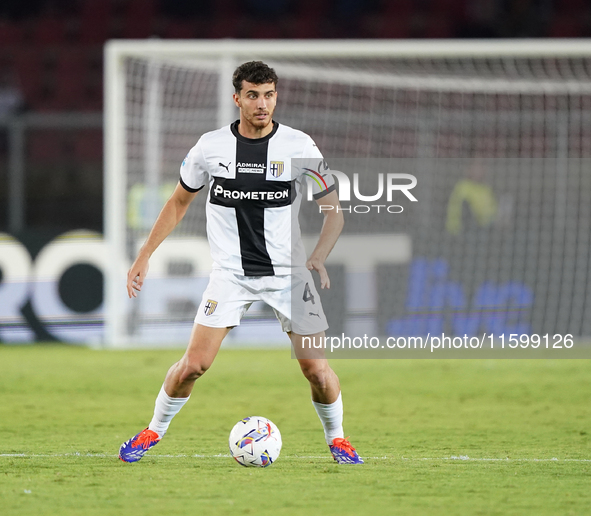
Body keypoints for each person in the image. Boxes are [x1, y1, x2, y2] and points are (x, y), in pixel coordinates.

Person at [118, 61, 363, 465]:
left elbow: (333, 210)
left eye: (269, 95)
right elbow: (178, 202)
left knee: (317, 371)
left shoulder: (300, 147)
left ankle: (338, 440)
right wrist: (144, 254)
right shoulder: (210, 147)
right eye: (253, 95)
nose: (262, 104)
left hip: (288, 274)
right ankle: (152, 431)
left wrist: (318, 256)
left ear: (276, 96)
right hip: (231, 275)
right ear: (237, 98)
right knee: (193, 366)